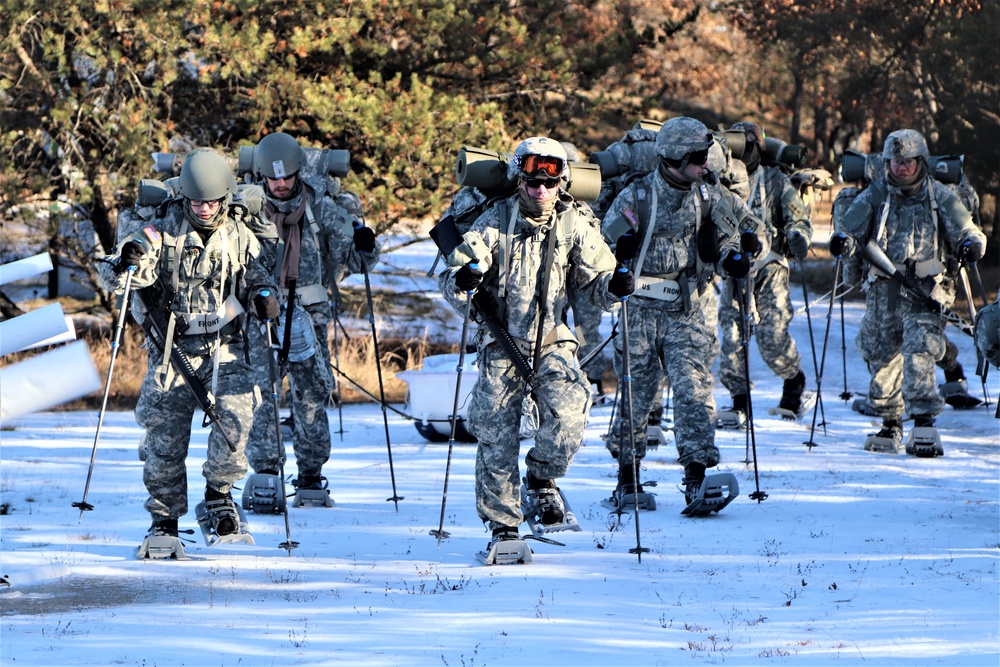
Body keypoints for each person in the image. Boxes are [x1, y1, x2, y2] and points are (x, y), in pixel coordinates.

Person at [439, 136, 629, 555]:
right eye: (530, 182)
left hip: (552, 340)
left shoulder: (575, 224)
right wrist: (464, 280)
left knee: (569, 418)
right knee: (494, 431)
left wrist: (615, 286)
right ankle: (504, 526)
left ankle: (541, 479)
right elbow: (454, 275)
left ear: (561, 182)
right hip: (500, 341)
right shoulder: (493, 220)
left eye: (548, 182)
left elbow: (596, 284)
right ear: (519, 181)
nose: (539, 190)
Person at [98, 149, 278, 544]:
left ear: (226, 198)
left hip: (225, 346)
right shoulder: (162, 228)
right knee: (164, 437)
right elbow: (129, 263)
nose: (205, 208)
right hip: (172, 349)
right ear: (185, 198)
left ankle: (219, 499)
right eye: (197, 201)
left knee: (237, 420)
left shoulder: (239, 233)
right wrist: (130, 259)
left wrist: (264, 293)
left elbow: (257, 273)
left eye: (213, 201)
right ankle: (163, 520)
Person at [601, 116, 767, 509]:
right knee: (636, 394)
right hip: (640, 309)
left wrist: (735, 260)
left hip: (687, 308)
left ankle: (697, 477)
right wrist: (618, 253)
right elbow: (603, 242)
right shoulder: (637, 196)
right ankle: (628, 478)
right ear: (674, 158)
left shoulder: (709, 195)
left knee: (694, 391)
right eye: (696, 157)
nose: (704, 164)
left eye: (706, 155)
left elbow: (732, 236)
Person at [242, 132, 381, 501]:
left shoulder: (320, 207)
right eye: (274, 178)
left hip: (309, 313)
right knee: (260, 393)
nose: (281, 184)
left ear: (299, 172)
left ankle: (310, 473)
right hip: (260, 313)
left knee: (311, 393)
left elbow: (353, 258)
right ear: (262, 177)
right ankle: (266, 471)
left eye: (287, 176)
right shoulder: (245, 208)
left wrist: (366, 245)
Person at [831, 129, 987, 451]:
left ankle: (924, 425)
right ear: (886, 162)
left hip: (926, 291)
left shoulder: (939, 195)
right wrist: (843, 242)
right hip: (883, 289)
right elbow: (850, 227)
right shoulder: (876, 194)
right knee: (880, 355)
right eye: (895, 162)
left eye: (908, 162)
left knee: (918, 352)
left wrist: (972, 245)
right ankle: (890, 424)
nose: (901, 168)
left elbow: (967, 229)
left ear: (920, 161)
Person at [716, 122, 813, 428]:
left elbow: (798, 218)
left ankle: (794, 382)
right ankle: (739, 401)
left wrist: (798, 236)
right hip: (733, 267)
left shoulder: (775, 179)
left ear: (759, 146)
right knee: (731, 337)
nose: (742, 152)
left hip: (769, 266)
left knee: (771, 335)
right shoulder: (722, 181)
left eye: (748, 145)